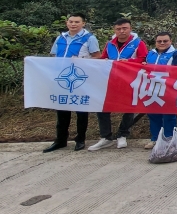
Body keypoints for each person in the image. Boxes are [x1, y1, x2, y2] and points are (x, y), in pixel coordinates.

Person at [44, 13, 101, 152]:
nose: (73, 24)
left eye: (77, 22)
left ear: (83, 23)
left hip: (80, 79)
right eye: (71, 21)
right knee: (62, 110)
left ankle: (80, 139)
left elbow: (98, 57)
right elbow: (54, 55)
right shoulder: (60, 38)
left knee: (81, 111)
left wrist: (81, 61)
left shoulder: (89, 38)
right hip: (61, 78)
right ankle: (60, 140)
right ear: (67, 23)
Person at [89, 18, 147, 151]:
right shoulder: (110, 44)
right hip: (111, 80)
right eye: (118, 29)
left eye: (124, 28)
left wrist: (129, 62)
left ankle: (123, 135)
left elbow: (144, 59)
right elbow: (103, 58)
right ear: (114, 30)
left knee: (129, 108)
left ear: (130, 29)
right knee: (103, 107)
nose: (122, 31)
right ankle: (106, 137)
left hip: (130, 80)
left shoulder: (138, 43)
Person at [143, 31, 177, 149]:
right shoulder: (150, 53)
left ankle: (169, 139)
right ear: (155, 42)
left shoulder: (175, 54)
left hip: (168, 89)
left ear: (170, 41)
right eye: (159, 41)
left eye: (165, 41)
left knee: (168, 115)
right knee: (153, 115)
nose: (162, 43)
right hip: (152, 88)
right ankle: (155, 139)